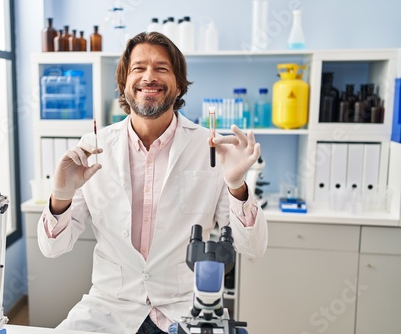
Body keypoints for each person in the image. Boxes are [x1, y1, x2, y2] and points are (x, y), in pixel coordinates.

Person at [37, 31, 268, 334]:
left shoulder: (210, 148)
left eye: (161, 68)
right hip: (109, 308)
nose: (149, 77)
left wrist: (237, 186)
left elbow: (252, 247)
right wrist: (61, 195)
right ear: (124, 82)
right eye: (139, 68)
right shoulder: (94, 146)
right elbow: (52, 248)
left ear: (179, 84)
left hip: (186, 309)